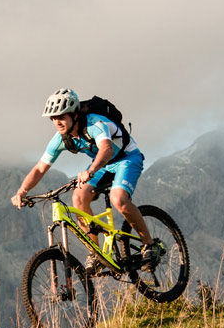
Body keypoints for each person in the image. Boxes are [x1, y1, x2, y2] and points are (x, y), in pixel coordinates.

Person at [9, 88, 160, 270]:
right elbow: (40, 168)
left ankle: (150, 244)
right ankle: (95, 253)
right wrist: (22, 191)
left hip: (126, 158)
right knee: (78, 197)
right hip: (102, 165)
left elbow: (107, 149)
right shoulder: (61, 139)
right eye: (53, 118)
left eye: (61, 116)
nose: (57, 122)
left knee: (118, 199)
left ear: (74, 114)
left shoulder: (95, 123)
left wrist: (90, 171)